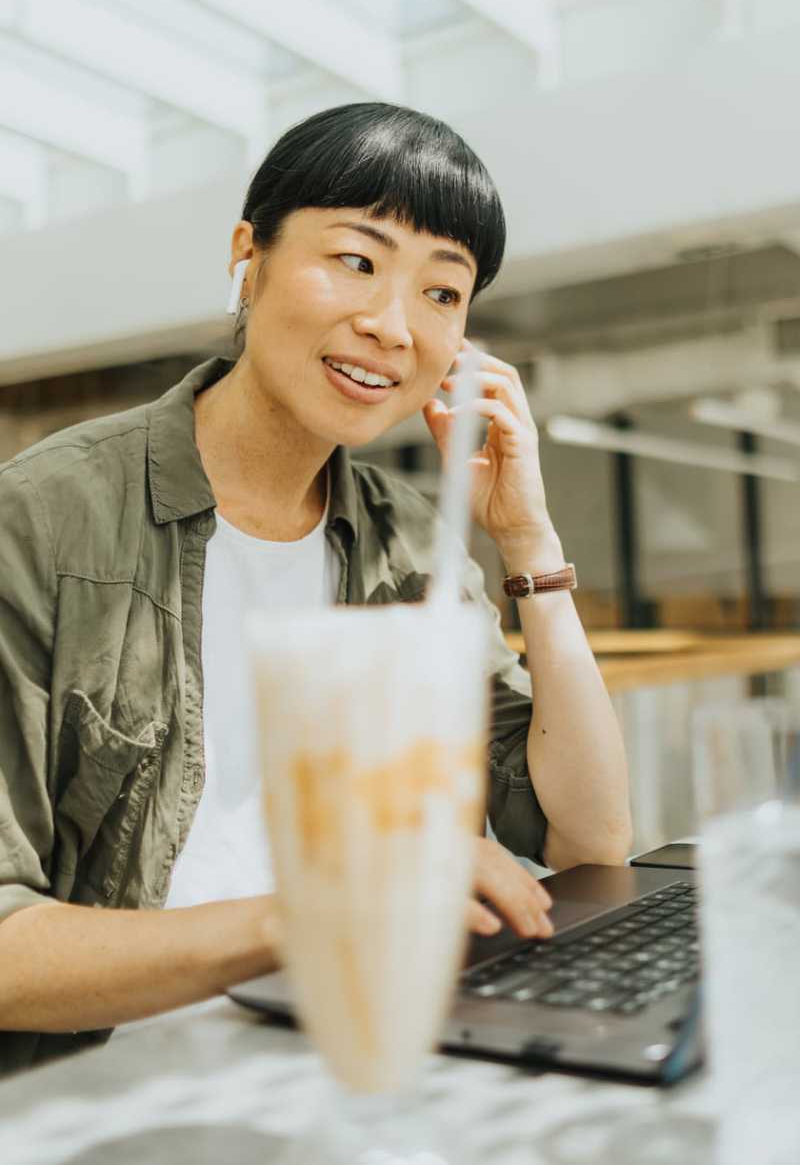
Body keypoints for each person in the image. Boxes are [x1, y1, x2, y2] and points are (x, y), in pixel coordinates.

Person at [0, 103, 631, 1074]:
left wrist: (526, 541)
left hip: (349, 1049)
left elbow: (581, 832)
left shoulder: (406, 539)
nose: (389, 325)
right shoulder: (44, 518)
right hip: (117, 1079)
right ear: (247, 256)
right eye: (355, 260)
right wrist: (312, 916)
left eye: (442, 292)